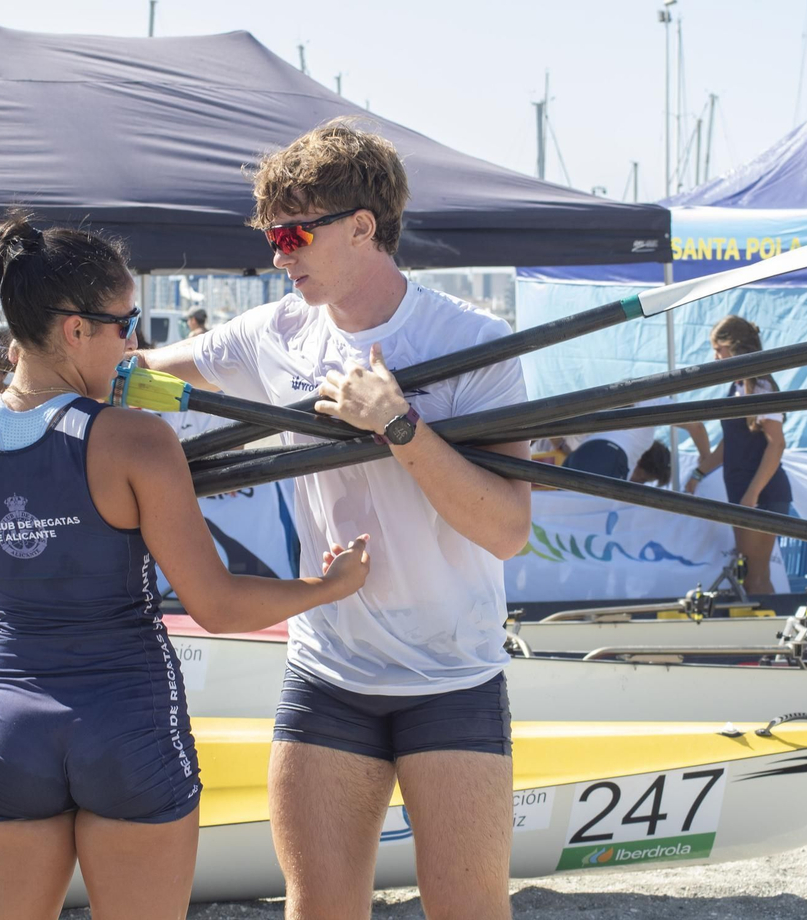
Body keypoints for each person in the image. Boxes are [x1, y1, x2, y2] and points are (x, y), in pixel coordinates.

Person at [0, 211, 371, 920]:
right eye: (125, 324)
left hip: (13, 725)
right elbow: (216, 606)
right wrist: (328, 586)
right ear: (76, 330)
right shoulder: (134, 439)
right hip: (128, 720)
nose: (135, 345)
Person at [137, 119, 532, 919]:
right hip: (328, 672)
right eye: (271, 237)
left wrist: (399, 427)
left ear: (361, 227)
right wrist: (34, 375)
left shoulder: (474, 341)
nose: (279, 256)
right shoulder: (275, 332)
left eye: (293, 235)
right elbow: (133, 374)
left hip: (452, 672)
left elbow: (506, 530)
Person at [678, 315, 791, 596]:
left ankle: (771, 622)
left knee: (755, 577)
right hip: (744, 492)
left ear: (736, 347)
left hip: (762, 494)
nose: (715, 358)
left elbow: (776, 445)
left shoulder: (762, 386)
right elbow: (731, 443)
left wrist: (752, 495)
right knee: (749, 576)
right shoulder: (737, 386)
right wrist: (699, 473)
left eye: (719, 350)